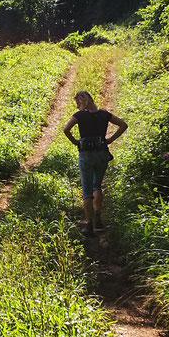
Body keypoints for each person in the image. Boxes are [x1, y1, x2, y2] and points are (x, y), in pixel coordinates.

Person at [63, 90, 127, 237]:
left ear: (81, 101)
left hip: (86, 155)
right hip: (102, 153)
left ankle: (89, 224)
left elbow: (66, 129)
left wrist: (75, 142)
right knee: (97, 186)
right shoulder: (104, 114)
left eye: (77, 102)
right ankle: (98, 217)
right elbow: (123, 125)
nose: (77, 105)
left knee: (86, 190)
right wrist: (110, 140)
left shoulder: (79, 116)